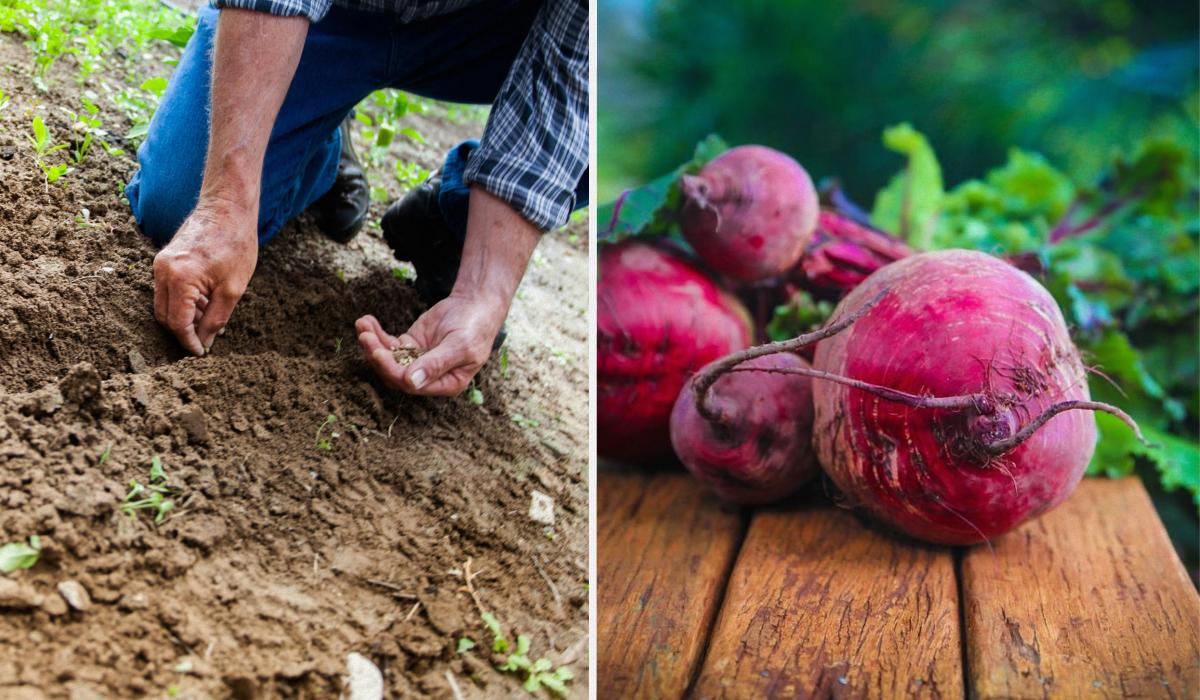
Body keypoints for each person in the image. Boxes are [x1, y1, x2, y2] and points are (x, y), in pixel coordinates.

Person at [125, 0, 588, 397]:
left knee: (647, 98)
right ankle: (320, 138)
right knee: (178, 204)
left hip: (493, 29)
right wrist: (225, 204)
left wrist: (483, 292)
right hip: (336, 14)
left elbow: (576, 74)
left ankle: (456, 220)